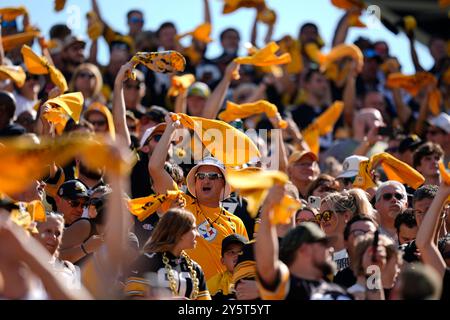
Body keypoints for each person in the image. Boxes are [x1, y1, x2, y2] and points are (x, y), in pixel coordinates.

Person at [149, 113, 248, 281]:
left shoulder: (236, 223)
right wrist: (170, 130)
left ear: (224, 184)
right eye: (200, 176)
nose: (206, 180)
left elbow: (244, 265)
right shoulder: (182, 204)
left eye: (212, 176)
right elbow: (155, 168)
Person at [255, 185, 353, 300]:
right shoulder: (287, 288)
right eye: (323, 244)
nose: (330, 249)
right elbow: (267, 266)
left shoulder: (339, 290)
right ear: (304, 249)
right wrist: (268, 210)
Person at [124, 208, 210, 300]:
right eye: (193, 229)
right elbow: (132, 297)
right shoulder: (146, 261)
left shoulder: (195, 268)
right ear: (179, 232)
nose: (198, 235)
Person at [319, 189, 375, 272]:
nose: (323, 220)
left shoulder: (362, 253)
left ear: (346, 216)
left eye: (327, 215)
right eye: (320, 216)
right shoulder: (319, 253)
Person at [415, 181, 450, 300]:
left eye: (430, 211)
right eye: (419, 212)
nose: (424, 217)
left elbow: (425, 244)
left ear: (443, 209)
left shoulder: (448, 246)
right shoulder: (406, 251)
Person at [35, 212, 80, 289]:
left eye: (58, 233)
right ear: (35, 233)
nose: (54, 237)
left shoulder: (69, 268)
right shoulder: (21, 265)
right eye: (48, 231)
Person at [207, 233, 247, 300]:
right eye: (231, 252)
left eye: (241, 252)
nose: (236, 255)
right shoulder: (213, 285)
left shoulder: (260, 279)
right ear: (223, 261)